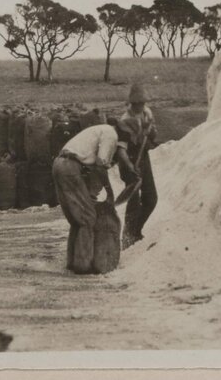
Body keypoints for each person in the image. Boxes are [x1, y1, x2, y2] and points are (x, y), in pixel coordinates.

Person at [52, 123, 137, 274]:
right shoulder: (111, 135)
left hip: (60, 164)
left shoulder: (99, 131)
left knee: (77, 219)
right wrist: (110, 193)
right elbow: (99, 165)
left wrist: (91, 195)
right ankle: (82, 266)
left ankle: (72, 262)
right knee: (88, 218)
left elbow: (93, 169)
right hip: (70, 166)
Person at [115, 83, 159, 248]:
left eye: (142, 103)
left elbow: (153, 137)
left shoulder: (148, 113)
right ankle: (127, 237)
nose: (140, 106)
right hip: (129, 160)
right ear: (131, 104)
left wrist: (150, 130)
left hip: (143, 158)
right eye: (136, 104)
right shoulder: (125, 120)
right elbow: (121, 150)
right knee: (133, 202)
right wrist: (129, 166)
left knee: (151, 199)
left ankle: (136, 231)